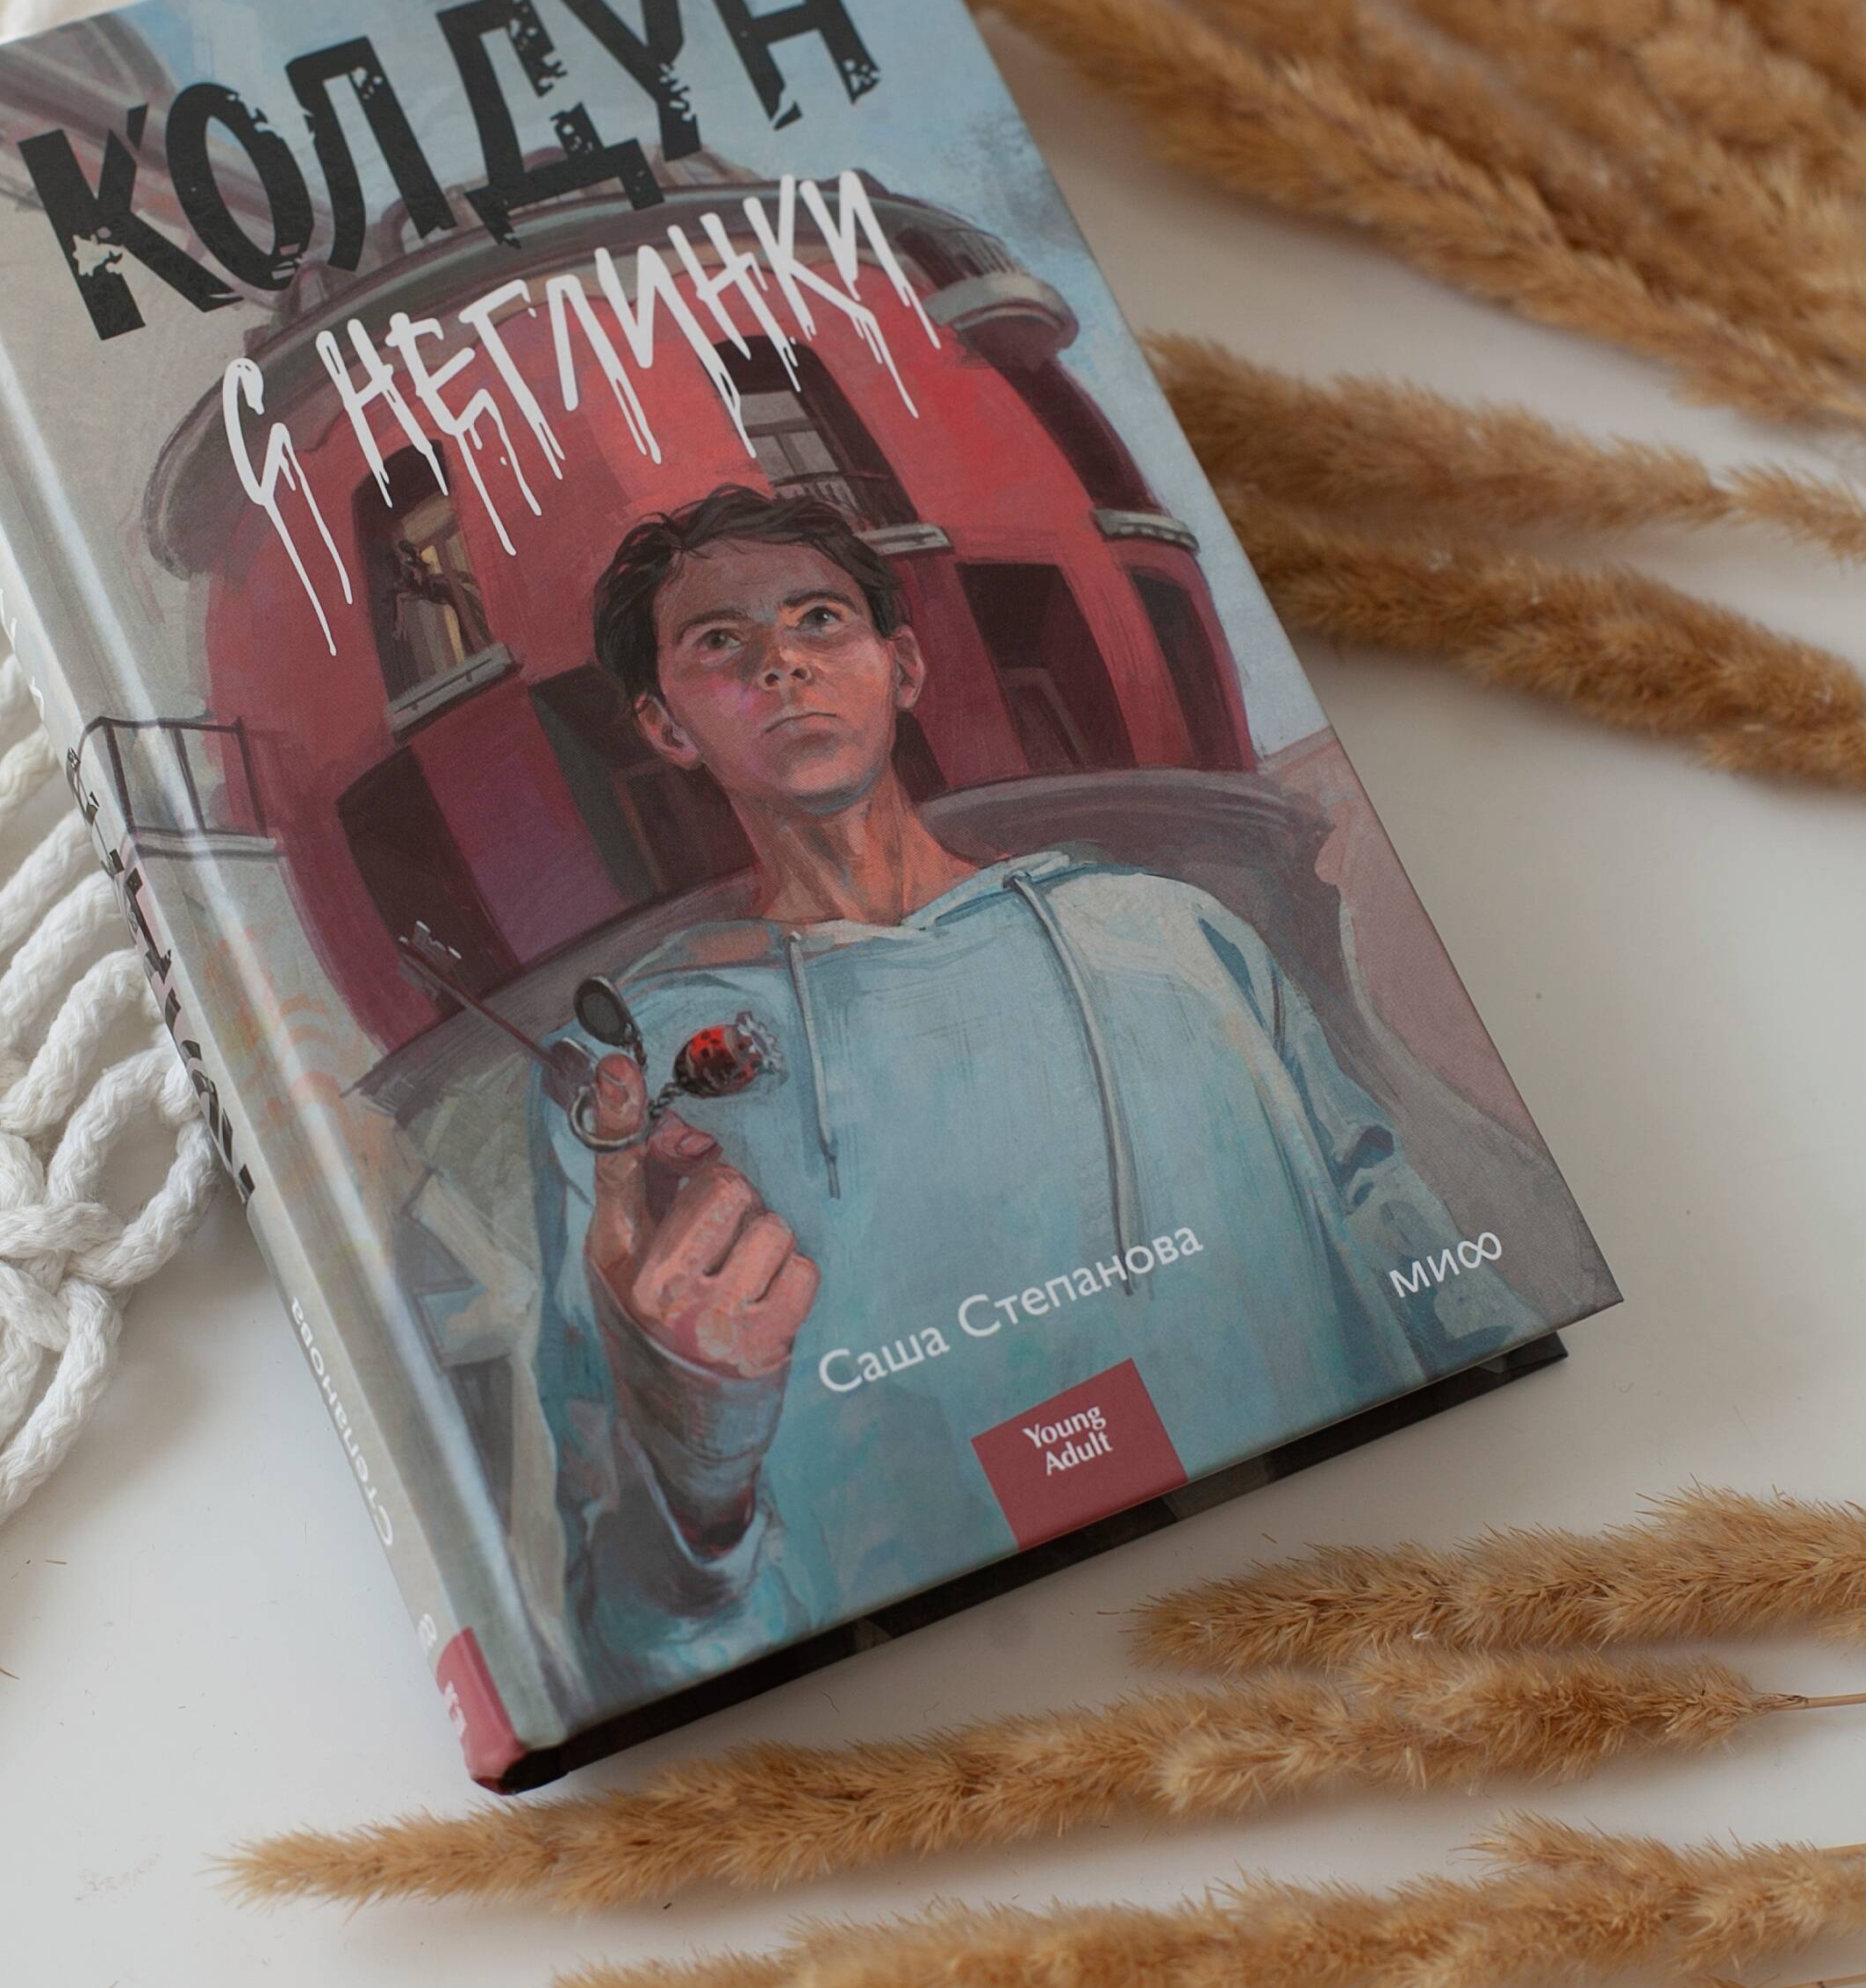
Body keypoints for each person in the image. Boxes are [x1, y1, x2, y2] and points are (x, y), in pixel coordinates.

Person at [530, 484, 1534, 1697]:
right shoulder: (626, 1084)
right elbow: (629, 1616)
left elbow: (1407, 1240)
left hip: (1370, 1556)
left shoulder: (1168, 933)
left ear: (902, 665)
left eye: (818, 620)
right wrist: (694, 1446)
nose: (781, 663)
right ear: (665, 724)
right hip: (972, 1672)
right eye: (719, 644)